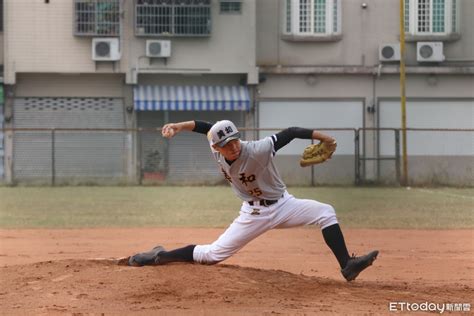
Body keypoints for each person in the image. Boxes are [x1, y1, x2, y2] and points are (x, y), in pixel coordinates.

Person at [125, 120, 378, 281]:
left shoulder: (258, 149)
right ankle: (161, 255)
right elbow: (206, 127)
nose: (232, 147)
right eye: (225, 144)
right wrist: (180, 126)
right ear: (216, 146)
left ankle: (347, 265)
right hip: (253, 214)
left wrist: (323, 137)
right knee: (212, 255)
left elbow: (290, 132)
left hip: (284, 205)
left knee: (326, 212)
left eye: (234, 140)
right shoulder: (215, 148)